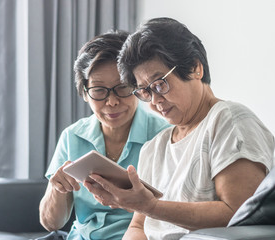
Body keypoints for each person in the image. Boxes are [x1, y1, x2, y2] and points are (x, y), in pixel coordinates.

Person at [83, 18, 275, 239]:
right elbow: (138, 227)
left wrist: (151, 206)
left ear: (195, 68)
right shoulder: (154, 147)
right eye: (145, 91)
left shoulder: (229, 120)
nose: (154, 101)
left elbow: (237, 214)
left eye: (159, 84)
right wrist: (144, 207)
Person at [38, 30, 170, 240]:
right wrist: (57, 189)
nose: (112, 102)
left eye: (122, 88)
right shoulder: (72, 136)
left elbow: (170, 215)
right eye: (99, 90)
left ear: (137, 87)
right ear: (84, 92)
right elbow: (51, 223)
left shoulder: (164, 135)